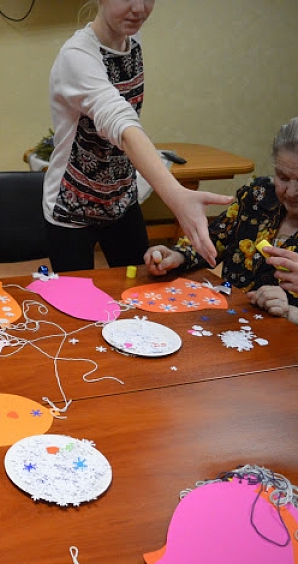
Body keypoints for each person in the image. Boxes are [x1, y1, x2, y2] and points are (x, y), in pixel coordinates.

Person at [42, 0, 232, 273]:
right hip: (72, 207)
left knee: (142, 291)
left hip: (121, 199)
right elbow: (120, 121)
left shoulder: (131, 37)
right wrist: (175, 195)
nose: (139, 8)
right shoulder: (76, 56)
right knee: (77, 306)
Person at [144, 118, 298, 325]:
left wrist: (291, 311)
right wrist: (178, 255)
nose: (291, 192)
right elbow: (216, 237)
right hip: (226, 320)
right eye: (283, 177)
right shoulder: (258, 195)